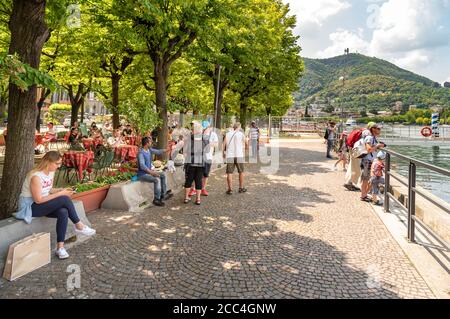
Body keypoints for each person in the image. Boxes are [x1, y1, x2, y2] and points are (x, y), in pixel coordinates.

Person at [13, 151, 95, 259]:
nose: (59, 166)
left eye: (60, 163)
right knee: (64, 198)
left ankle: (60, 248)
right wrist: (61, 194)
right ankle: (79, 225)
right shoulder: (36, 177)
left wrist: (60, 190)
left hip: (43, 204)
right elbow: (38, 200)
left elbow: (48, 190)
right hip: (30, 207)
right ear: (48, 162)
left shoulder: (50, 172)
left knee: (63, 212)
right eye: (57, 163)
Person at [137, 136, 173, 207]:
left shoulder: (149, 150)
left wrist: (167, 149)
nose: (151, 143)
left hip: (149, 172)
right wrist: (151, 172)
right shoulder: (141, 153)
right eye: (150, 142)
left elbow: (158, 152)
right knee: (156, 180)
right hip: (142, 175)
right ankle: (156, 199)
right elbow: (142, 165)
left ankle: (163, 194)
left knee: (162, 174)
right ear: (147, 143)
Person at [188, 120, 218, 197]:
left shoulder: (213, 134)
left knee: (206, 174)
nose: (204, 130)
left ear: (209, 127)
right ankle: (193, 189)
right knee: (196, 174)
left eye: (205, 128)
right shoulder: (199, 133)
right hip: (199, 157)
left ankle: (203, 189)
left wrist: (207, 143)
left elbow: (216, 144)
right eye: (203, 128)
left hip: (208, 157)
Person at [344, 122, 376, 191]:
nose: (376, 129)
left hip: (354, 149)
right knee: (357, 168)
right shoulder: (367, 132)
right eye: (375, 127)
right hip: (358, 152)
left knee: (352, 166)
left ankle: (349, 182)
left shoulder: (363, 130)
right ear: (371, 127)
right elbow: (367, 143)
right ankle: (349, 183)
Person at [183, 121, 209, 205]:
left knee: (189, 180)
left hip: (191, 162)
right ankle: (198, 199)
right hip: (200, 163)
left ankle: (186, 197)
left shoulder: (189, 138)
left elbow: (185, 150)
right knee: (198, 181)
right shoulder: (204, 138)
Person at [360, 123, 385, 202]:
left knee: (369, 179)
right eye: (378, 129)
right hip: (367, 161)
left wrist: (379, 145)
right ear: (373, 129)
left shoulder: (373, 138)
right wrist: (377, 146)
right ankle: (363, 196)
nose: (380, 130)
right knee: (365, 179)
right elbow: (369, 149)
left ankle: (364, 194)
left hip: (370, 161)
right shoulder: (369, 138)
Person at [223, 122, 247, 195]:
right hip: (239, 155)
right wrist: (245, 149)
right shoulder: (241, 134)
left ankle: (230, 189)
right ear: (239, 127)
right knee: (241, 172)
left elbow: (223, 144)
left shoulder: (227, 134)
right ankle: (241, 188)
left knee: (229, 173)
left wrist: (223, 154)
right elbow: (246, 143)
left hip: (230, 155)